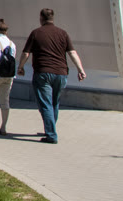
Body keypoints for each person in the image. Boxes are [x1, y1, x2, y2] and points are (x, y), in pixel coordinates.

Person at [17, 8, 86, 144]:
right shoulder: (63, 33)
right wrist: (80, 70)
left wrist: (20, 67)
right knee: (54, 103)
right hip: (61, 74)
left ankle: (51, 135)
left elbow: (26, 53)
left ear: (41, 18)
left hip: (43, 73)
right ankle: (51, 128)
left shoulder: (36, 33)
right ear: (52, 18)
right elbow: (72, 53)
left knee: (45, 104)